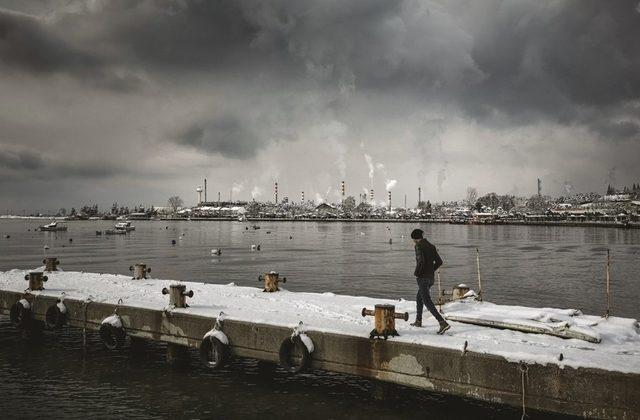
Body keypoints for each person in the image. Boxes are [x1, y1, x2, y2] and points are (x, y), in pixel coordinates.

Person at [410, 228, 450, 334]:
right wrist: (431, 270)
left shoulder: (418, 246)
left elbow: (421, 261)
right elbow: (439, 262)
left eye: (413, 239)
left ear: (415, 238)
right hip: (430, 278)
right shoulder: (431, 246)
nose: (413, 241)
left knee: (427, 301)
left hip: (422, 278)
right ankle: (418, 321)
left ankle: (442, 322)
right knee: (419, 298)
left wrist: (417, 273)